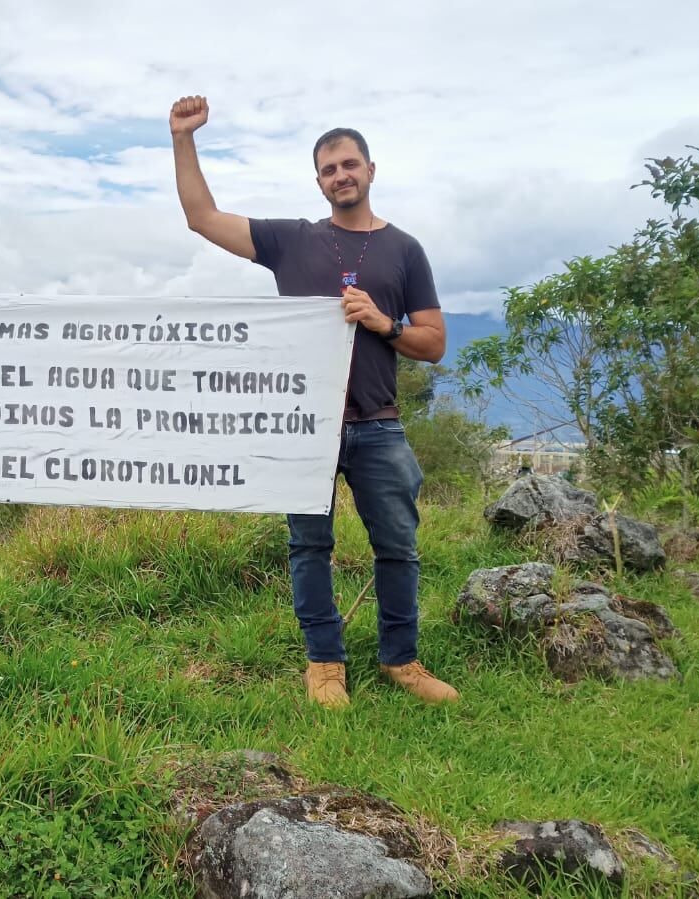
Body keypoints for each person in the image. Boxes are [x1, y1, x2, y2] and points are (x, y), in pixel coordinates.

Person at [169, 95, 458, 708]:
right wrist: (183, 137)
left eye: (350, 165)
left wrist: (384, 322)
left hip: (379, 424)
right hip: (304, 429)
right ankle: (325, 663)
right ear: (318, 181)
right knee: (308, 547)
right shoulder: (290, 241)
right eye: (329, 170)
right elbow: (201, 216)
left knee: (398, 548)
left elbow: (433, 343)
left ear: (371, 171)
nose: (340, 176)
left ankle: (402, 661)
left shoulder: (405, 250)